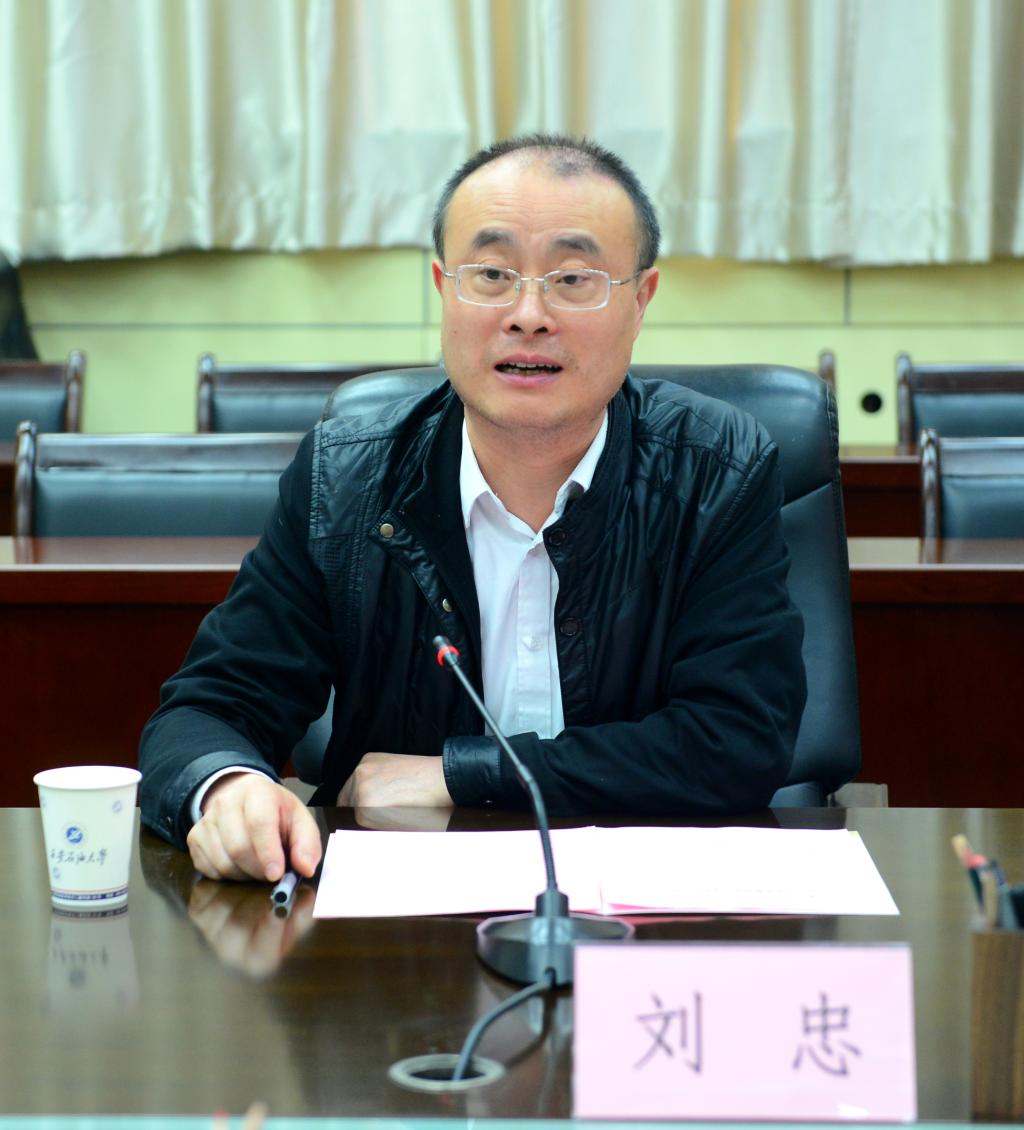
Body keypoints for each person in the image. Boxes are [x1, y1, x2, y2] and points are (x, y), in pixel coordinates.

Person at [139, 134, 806, 883]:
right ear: (444, 289)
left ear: (640, 300)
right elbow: (210, 708)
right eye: (491, 274)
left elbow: (736, 741)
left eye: (574, 278)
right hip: (402, 915)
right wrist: (225, 787)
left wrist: (464, 774)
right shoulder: (344, 478)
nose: (529, 314)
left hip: (647, 901)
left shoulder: (716, 470)